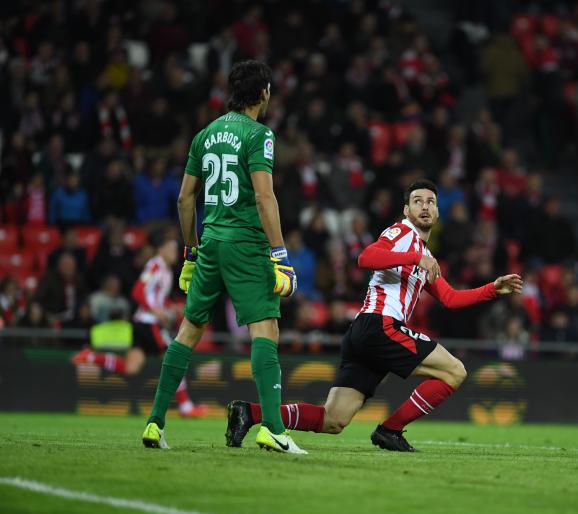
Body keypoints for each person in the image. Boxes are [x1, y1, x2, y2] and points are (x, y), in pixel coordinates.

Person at [225, 180, 523, 452]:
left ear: (438, 212)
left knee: (333, 420)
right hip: (381, 325)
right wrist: (415, 257)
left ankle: (249, 413)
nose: (425, 206)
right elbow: (366, 257)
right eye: (417, 201)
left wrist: (492, 289)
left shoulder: (423, 253)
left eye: (431, 202)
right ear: (406, 210)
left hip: (365, 334)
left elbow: (450, 298)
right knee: (454, 371)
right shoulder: (401, 233)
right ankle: (390, 430)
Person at [136, 60, 302, 453]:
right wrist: (279, 255)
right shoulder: (260, 135)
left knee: (188, 331)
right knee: (265, 330)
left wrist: (191, 252)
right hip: (246, 244)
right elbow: (264, 197)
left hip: (210, 244)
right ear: (262, 93)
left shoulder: (205, 135)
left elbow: (184, 199)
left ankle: (155, 423)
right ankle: (274, 429)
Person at [71, 232, 208, 417]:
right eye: (171, 248)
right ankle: (186, 407)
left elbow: (155, 298)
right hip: (148, 323)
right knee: (175, 357)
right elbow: (137, 292)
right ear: (160, 249)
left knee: (131, 368)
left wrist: (170, 307)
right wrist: (156, 311)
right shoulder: (155, 265)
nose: (174, 253)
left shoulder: (165, 270)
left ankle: (92, 357)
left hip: (142, 323)